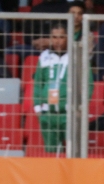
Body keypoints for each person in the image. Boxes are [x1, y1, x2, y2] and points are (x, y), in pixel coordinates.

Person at [33, 22, 92, 154]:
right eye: (54, 37)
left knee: (73, 152)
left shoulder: (78, 56)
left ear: (68, 37)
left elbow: (88, 84)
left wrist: (81, 107)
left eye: (61, 37)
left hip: (69, 113)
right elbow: (38, 83)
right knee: (51, 153)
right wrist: (37, 107)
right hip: (48, 113)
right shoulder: (44, 57)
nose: (57, 41)